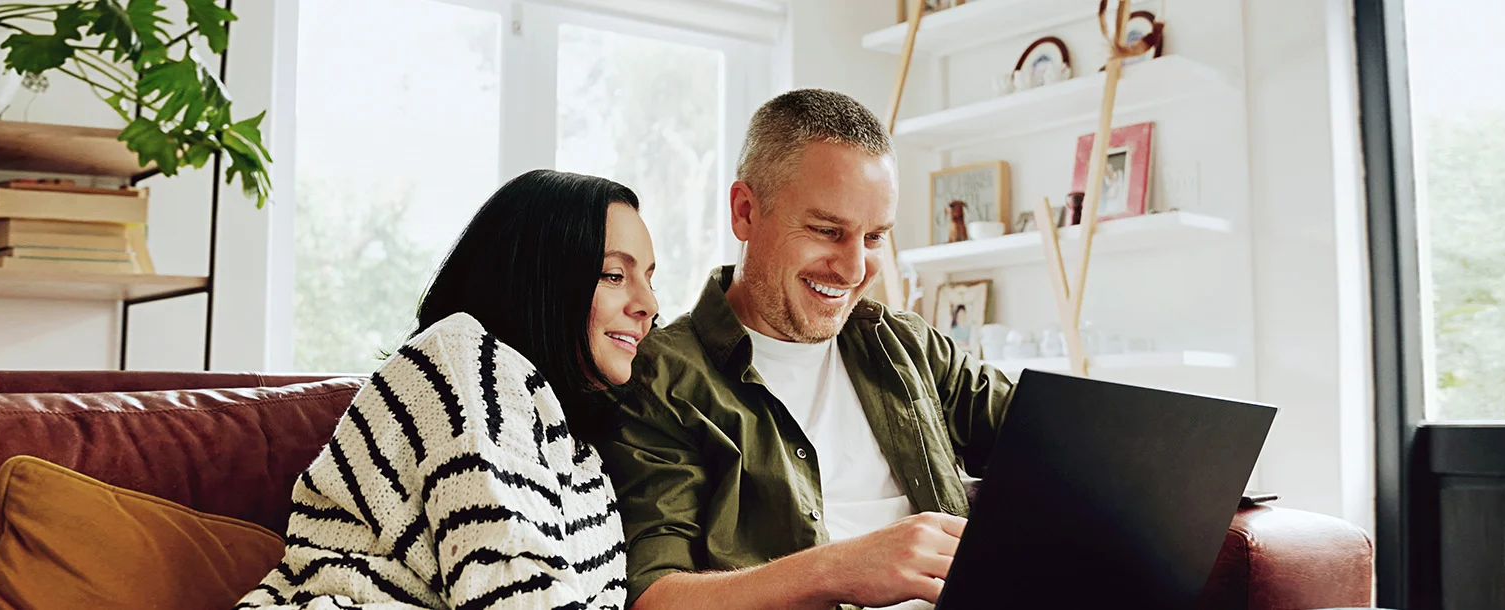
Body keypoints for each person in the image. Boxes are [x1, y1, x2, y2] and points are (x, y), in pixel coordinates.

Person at [609, 89, 1017, 610]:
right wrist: (843, 567)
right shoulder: (664, 378)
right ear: (745, 212)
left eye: (874, 238)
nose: (852, 270)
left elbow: (1051, 438)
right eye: (828, 231)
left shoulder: (901, 345)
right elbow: (655, 597)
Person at [237, 169, 656, 610]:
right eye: (613, 275)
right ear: (541, 277)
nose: (649, 304)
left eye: (649, 277)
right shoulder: (465, 363)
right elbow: (513, 592)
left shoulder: (578, 454)